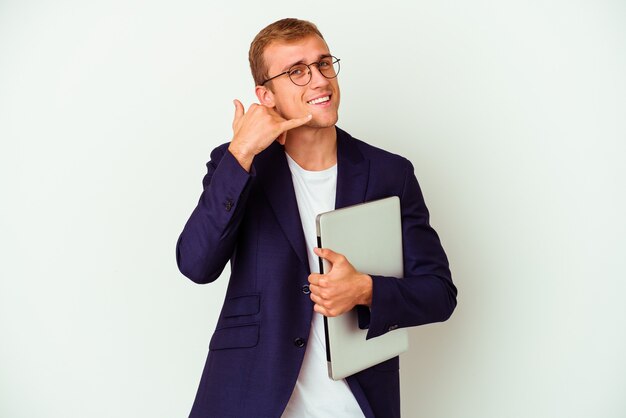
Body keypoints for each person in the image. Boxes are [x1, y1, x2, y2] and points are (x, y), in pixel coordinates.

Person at [176, 18, 457, 418]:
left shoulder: (389, 173)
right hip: (249, 399)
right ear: (266, 95)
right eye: (297, 71)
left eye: (324, 64)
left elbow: (439, 294)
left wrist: (365, 290)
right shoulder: (236, 164)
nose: (320, 80)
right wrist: (241, 153)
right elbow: (195, 264)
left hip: (355, 403)